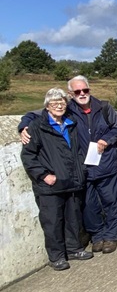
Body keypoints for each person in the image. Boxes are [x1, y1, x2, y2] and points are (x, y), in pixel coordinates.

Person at [20, 88, 92, 270]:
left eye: (62, 102)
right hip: (50, 183)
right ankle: (57, 256)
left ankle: (74, 249)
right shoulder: (37, 126)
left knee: (73, 217)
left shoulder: (71, 123)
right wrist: (44, 175)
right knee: (52, 221)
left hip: (72, 180)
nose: (59, 106)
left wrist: (81, 170)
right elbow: (28, 156)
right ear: (47, 106)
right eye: (54, 103)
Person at [67, 75, 117, 255]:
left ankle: (111, 235)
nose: (82, 94)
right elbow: (40, 114)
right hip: (83, 167)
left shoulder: (104, 107)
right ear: (71, 93)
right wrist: (24, 125)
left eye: (85, 90)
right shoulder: (67, 110)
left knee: (111, 201)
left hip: (106, 163)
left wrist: (106, 140)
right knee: (89, 205)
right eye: (78, 91)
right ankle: (97, 235)